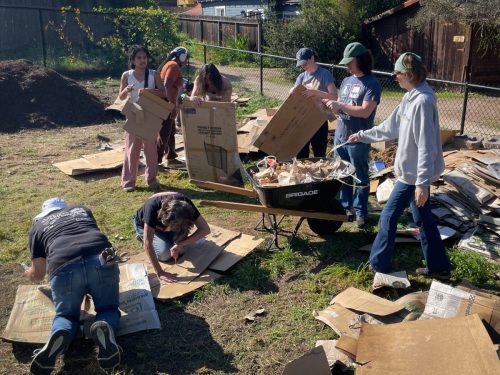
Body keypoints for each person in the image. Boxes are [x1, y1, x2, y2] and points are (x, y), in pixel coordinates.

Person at [347, 52, 451, 279]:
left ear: (408, 73)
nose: (395, 78)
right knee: (423, 220)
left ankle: (378, 264)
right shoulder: (411, 97)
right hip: (412, 173)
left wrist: (422, 183)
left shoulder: (423, 101)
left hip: (413, 176)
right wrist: (362, 135)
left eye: (397, 74)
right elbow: (389, 127)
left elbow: (426, 145)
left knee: (388, 216)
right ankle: (439, 267)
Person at [26, 198, 121, 374]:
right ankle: (104, 325)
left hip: (64, 266)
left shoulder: (37, 227)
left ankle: (60, 332)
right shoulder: (81, 210)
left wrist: (28, 272)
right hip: (100, 258)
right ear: (65, 207)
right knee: (108, 307)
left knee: (67, 315)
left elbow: (38, 274)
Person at [326, 42, 381, 228]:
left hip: (358, 138)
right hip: (341, 136)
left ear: (361, 60)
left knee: (360, 177)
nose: (346, 66)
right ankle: (345, 207)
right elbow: (342, 106)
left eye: (350, 62)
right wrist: (332, 108)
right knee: (342, 174)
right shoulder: (346, 81)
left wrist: (340, 106)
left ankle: (361, 212)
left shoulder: (372, 83)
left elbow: (365, 112)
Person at [132, 192, 210, 282]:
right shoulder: (151, 208)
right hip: (145, 226)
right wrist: (160, 272)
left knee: (182, 249)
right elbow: (147, 242)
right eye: (167, 228)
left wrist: (180, 244)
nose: (166, 230)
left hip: (172, 223)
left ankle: (169, 238)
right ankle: (142, 235)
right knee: (165, 254)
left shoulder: (186, 206)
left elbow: (205, 229)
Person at [119, 45, 166, 192]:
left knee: (151, 149)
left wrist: (148, 91)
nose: (142, 60)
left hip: (150, 115)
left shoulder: (154, 74)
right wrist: (127, 90)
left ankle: (151, 179)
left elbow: (164, 93)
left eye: (144, 57)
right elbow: (120, 97)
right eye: (138, 58)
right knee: (132, 149)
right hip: (133, 114)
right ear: (133, 60)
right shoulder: (126, 75)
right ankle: (128, 182)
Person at [290, 48, 338, 159]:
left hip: (319, 121)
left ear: (312, 58)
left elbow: (334, 96)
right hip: (302, 119)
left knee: (319, 154)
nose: (303, 67)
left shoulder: (324, 74)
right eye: (301, 65)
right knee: (301, 154)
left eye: (305, 63)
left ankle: (319, 175)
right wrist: (291, 90)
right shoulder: (301, 77)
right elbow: (294, 92)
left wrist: (314, 92)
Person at [157, 46, 189, 167]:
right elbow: (167, 84)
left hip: (166, 101)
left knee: (170, 130)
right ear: (182, 56)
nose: (186, 61)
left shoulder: (170, 64)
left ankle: (171, 157)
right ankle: (156, 161)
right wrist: (172, 105)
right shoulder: (174, 66)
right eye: (186, 58)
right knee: (164, 132)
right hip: (167, 102)